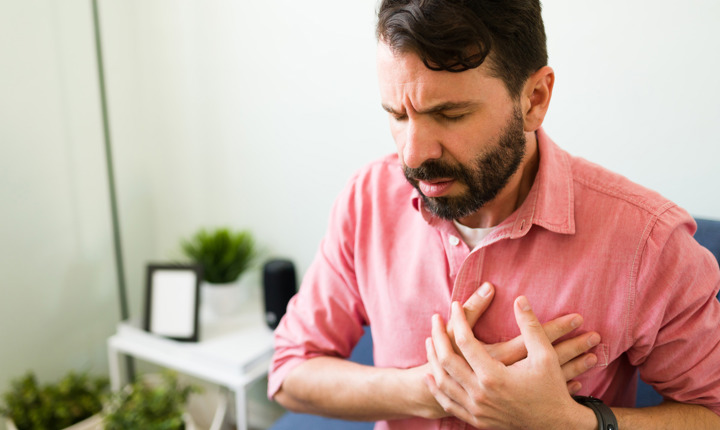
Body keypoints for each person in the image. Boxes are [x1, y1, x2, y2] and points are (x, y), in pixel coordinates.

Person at [268, 1, 720, 428]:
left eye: (449, 114)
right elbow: (290, 373)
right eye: (397, 115)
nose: (414, 154)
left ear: (535, 99)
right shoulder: (366, 200)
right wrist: (435, 389)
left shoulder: (648, 243)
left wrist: (573, 423)